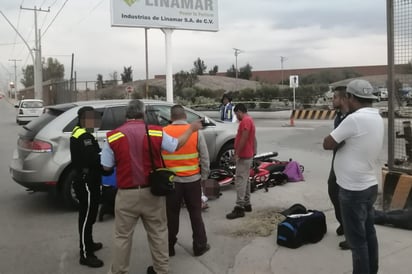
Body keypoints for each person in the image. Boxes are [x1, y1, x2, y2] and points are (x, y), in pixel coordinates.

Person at [101, 100, 202, 274]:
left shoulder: (113, 136)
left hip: (126, 195)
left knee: (122, 237)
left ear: (127, 114)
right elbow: (176, 145)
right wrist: (191, 129)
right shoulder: (156, 132)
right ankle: (161, 270)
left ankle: (119, 271)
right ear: (143, 112)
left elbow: (106, 167)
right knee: (158, 233)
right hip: (153, 194)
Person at [323, 79, 384, 274]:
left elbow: (328, 143)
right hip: (369, 185)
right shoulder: (376, 117)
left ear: (350, 97)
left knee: (357, 243)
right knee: (369, 234)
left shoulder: (354, 119)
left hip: (353, 190)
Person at [162, 105, 211, 257]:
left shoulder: (163, 132)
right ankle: (199, 245)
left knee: (171, 215)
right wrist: (203, 177)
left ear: (171, 117)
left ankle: (169, 247)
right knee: (196, 214)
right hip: (192, 181)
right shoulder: (195, 133)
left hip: (172, 183)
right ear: (185, 116)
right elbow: (204, 158)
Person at [70, 106, 104, 268]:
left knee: (89, 216)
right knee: (87, 218)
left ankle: (88, 243)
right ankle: (85, 254)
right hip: (87, 182)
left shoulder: (79, 131)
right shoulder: (84, 136)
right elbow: (93, 159)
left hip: (87, 180)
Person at [327, 86, 351, 250]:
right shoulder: (338, 115)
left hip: (349, 161)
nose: (332, 100)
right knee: (333, 189)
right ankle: (343, 223)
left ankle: (352, 234)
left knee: (348, 198)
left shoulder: (351, 118)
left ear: (342, 99)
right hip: (337, 158)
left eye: (334, 97)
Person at [226, 103, 256, 219]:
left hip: (244, 155)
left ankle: (239, 207)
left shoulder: (245, 121)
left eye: (236, 114)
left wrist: (237, 154)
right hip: (248, 154)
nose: (236, 117)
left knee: (240, 180)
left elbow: (244, 137)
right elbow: (253, 138)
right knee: (246, 179)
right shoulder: (250, 120)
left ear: (239, 111)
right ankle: (247, 203)